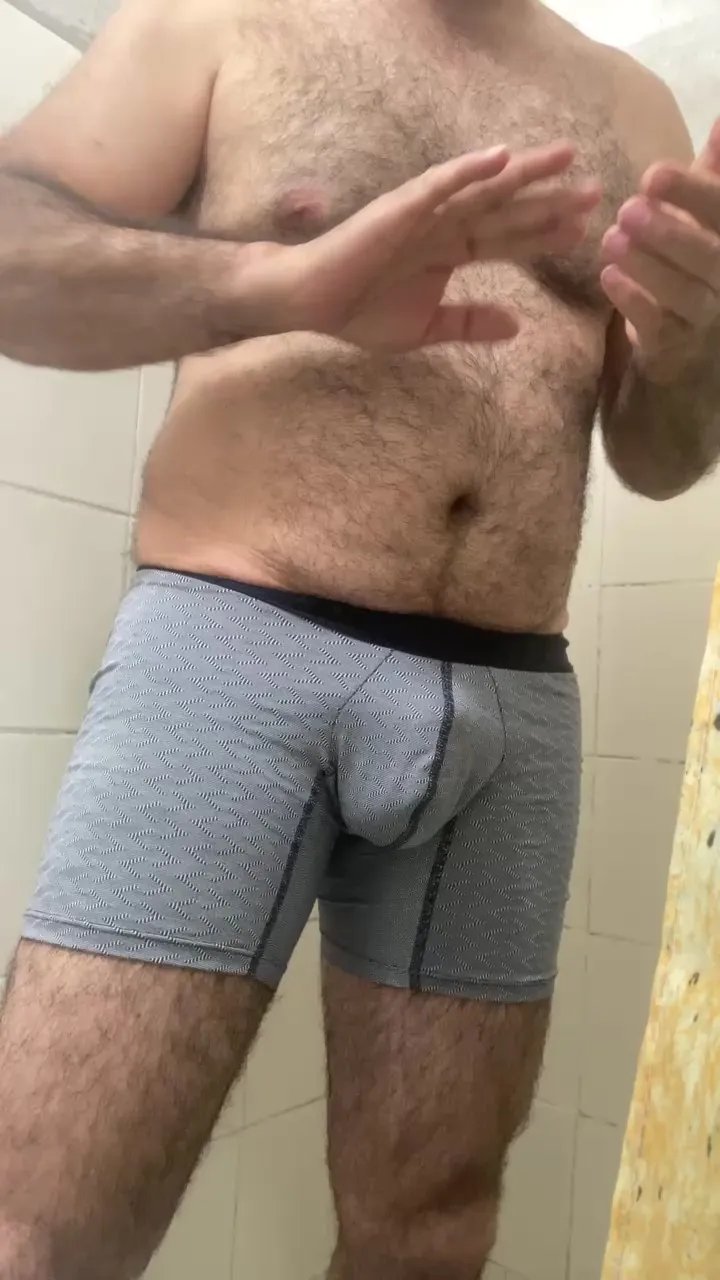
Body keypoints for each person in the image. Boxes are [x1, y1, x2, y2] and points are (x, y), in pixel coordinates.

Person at [0, 0, 719, 1275]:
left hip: (512, 703)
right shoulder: (226, 20)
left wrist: (692, 361)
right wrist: (275, 282)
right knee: (44, 1224)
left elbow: (657, 455)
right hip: (236, 652)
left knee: (434, 1231)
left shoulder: (633, 105)